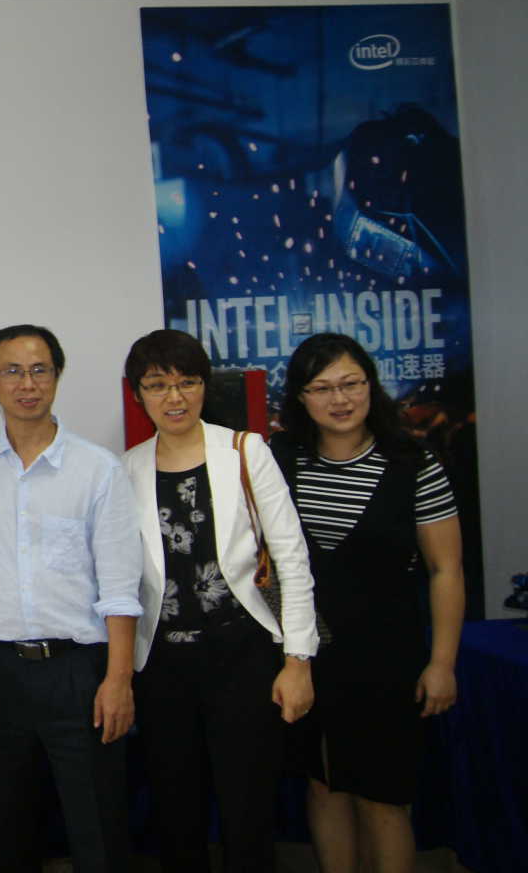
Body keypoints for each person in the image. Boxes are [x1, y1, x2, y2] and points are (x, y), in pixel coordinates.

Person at [121, 330, 317, 873]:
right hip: (162, 666)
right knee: (174, 809)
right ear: (138, 394)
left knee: (247, 807)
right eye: (157, 385)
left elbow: (292, 559)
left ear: (205, 386)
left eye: (187, 382)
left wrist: (298, 661)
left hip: (242, 656)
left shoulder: (245, 451)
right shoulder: (127, 468)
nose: (174, 397)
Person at [0, 325, 141, 873]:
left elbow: (120, 587)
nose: (26, 384)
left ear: (57, 376)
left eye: (40, 370)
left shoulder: (98, 469)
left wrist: (119, 680)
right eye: (11, 371)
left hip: (81, 673)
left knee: (98, 832)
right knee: (5, 833)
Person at [270, 333, 463, 873]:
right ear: (300, 396)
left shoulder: (413, 462)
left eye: (351, 383)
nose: (340, 399)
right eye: (322, 387)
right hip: (307, 656)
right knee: (323, 784)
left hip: (387, 658)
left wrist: (442, 664)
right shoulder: (280, 458)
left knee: (382, 797)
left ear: (370, 386)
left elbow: (446, 571)